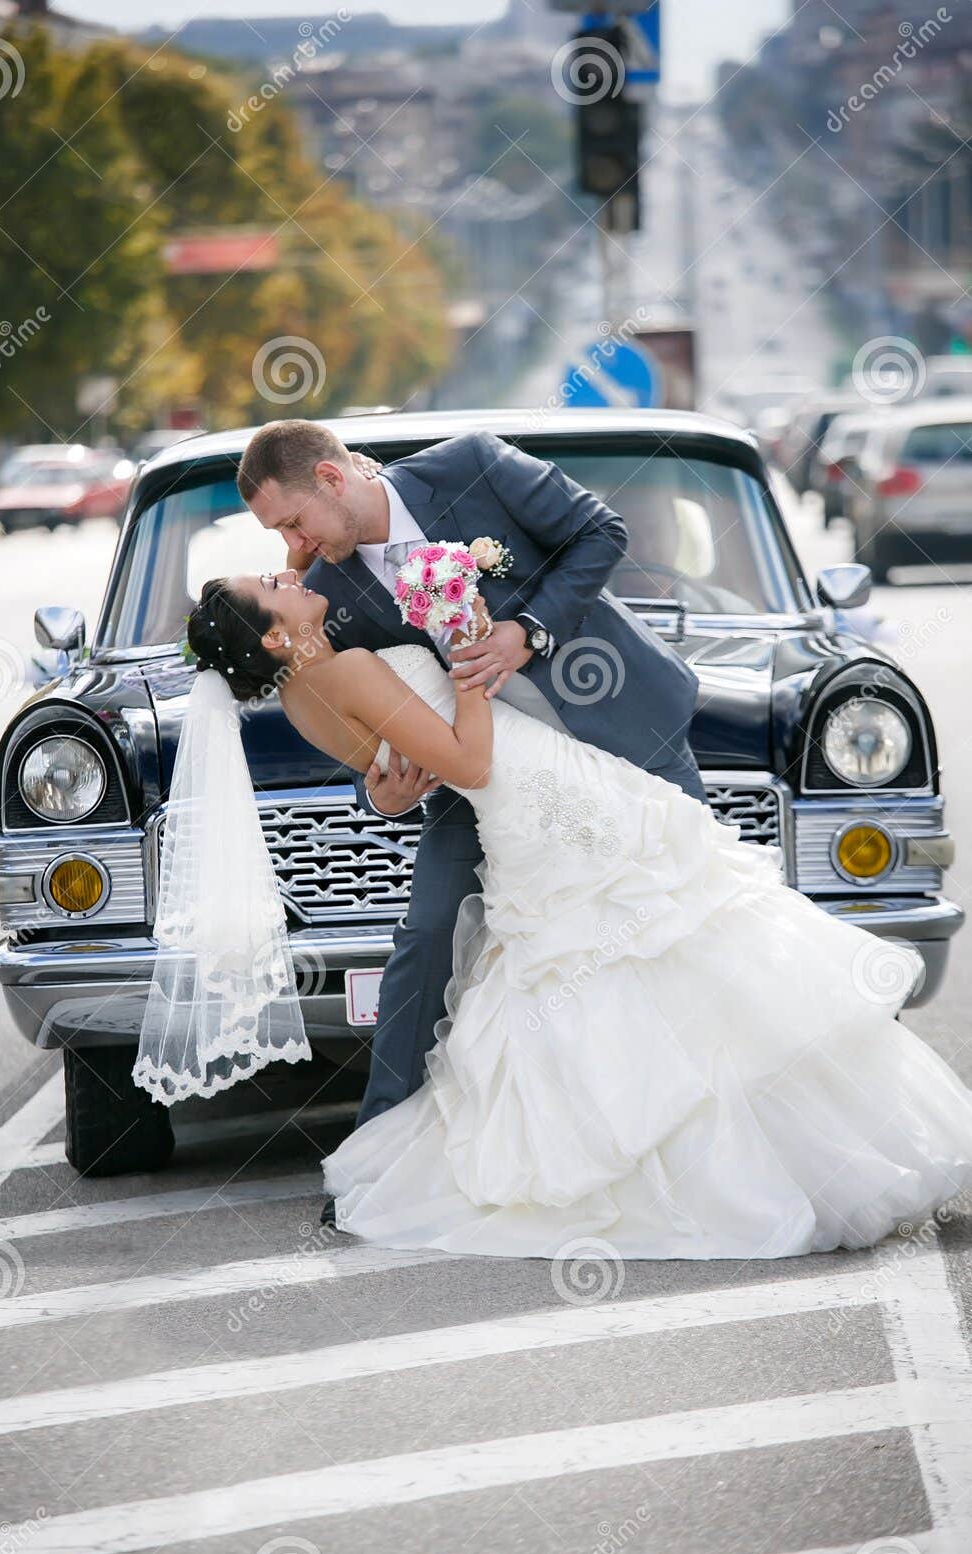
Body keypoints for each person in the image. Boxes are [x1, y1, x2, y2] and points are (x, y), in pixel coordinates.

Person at [134, 566, 972, 1260]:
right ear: (276, 636)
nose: (289, 572)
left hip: (528, 807)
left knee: (628, 961)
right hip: (535, 797)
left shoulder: (303, 694)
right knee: (668, 939)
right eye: (272, 585)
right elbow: (463, 755)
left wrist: (391, 787)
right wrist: (466, 664)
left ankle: (683, 1150)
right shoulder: (343, 669)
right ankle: (767, 1162)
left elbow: (399, 780)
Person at [235, 420, 707, 1172]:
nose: (290, 542)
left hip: (624, 724)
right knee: (426, 937)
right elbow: (361, 731)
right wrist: (381, 798)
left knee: (691, 907)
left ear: (331, 479)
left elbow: (599, 533)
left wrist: (528, 631)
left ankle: (708, 1114)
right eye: (277, 531)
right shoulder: (324, 597)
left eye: (292, 520)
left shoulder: (473, 465)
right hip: (486, 782)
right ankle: (375, 1158)